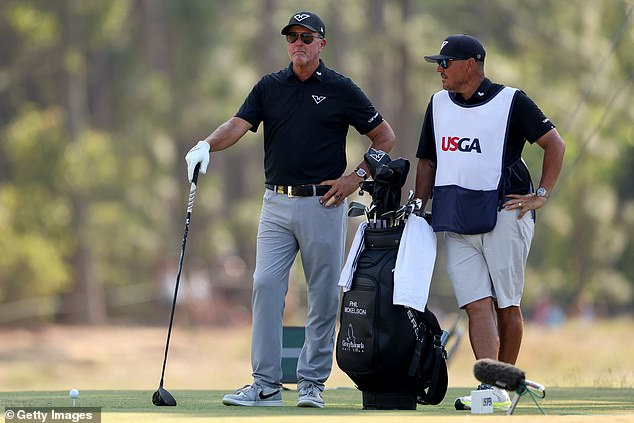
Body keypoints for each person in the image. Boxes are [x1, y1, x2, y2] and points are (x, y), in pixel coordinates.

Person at [185, 11, 395, 408]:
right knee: (265, 286)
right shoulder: (269, 87)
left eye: (306, 36)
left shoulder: (340, 89)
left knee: (322, 295)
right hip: (276, 203)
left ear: (321, 44)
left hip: (324, 202)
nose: (298, 42)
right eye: (292, 36)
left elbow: (385, 137)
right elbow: (237, 124)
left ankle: (312, 382)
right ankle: (264, 384)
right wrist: (205, 145)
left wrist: (356, 178)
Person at [414, 34, 565, 410]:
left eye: (445, 63)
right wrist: (418, 204)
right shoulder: (437, 104)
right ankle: (490, 388)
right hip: (456, 216)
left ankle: (500, 382)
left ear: (471, 65)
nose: (440, 70)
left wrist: (541, 196)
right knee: (475, 303)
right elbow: (428, 161)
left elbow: (554, 144)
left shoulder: (512, 100)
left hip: (505, 213)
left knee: (506, 305)